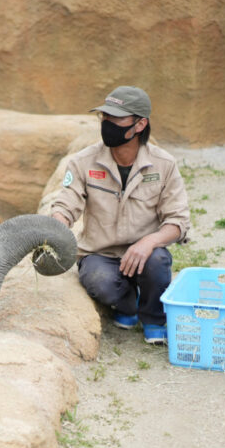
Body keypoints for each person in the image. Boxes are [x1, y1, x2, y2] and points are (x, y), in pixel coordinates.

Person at [50, 86, 190, 344]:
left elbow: (178, 222)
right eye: (105, 116)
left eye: (116, 118)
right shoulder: (83, 162)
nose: (107, 123)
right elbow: (66, 204)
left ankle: (154, 318)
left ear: (140, 124)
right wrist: (58, 222)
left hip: (145, 254)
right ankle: (128, 305)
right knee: (99, 280)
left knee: (157, 262)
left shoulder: (164, 164)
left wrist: (148, 242)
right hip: (100, 254)